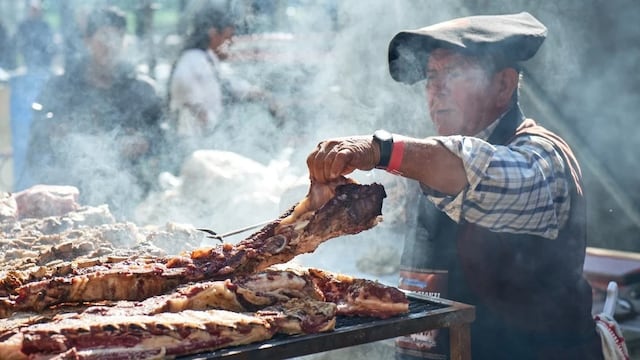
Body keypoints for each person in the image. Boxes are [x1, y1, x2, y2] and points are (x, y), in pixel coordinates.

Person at [306, 12, 603, 360]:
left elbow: (478, 170)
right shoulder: (431, 161)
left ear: (504, 85)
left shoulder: (541, 156)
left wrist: (380, 149)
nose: (436, 88)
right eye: (432, 76)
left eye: (454, 73)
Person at [26, 6, 165, 219]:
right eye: (104, 36)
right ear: (87, 40)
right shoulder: (61, 87)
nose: (110, 45)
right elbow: (37, 138)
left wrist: (145, 142)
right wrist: (54, 133)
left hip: (131, 199)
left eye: (117, 37)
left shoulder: (142, 90)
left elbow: (163, 137)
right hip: (69, 201)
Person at [167, 5, 281, 168]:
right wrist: (204, 119)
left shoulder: (209, 60)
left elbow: (233, 84)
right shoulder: (192, 59)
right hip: (192, 146)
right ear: (213, 33)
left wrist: (265, 96)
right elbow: (185, 93)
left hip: (208, 143)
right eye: (228, 37)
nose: (231, 42)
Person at [10, 0, 56, 191]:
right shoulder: (23, 26)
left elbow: (51, 49)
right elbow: (15, 48)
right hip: (27, 74)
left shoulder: (46, 26)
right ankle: (23, 186)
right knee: (22, 142)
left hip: (43, 73)